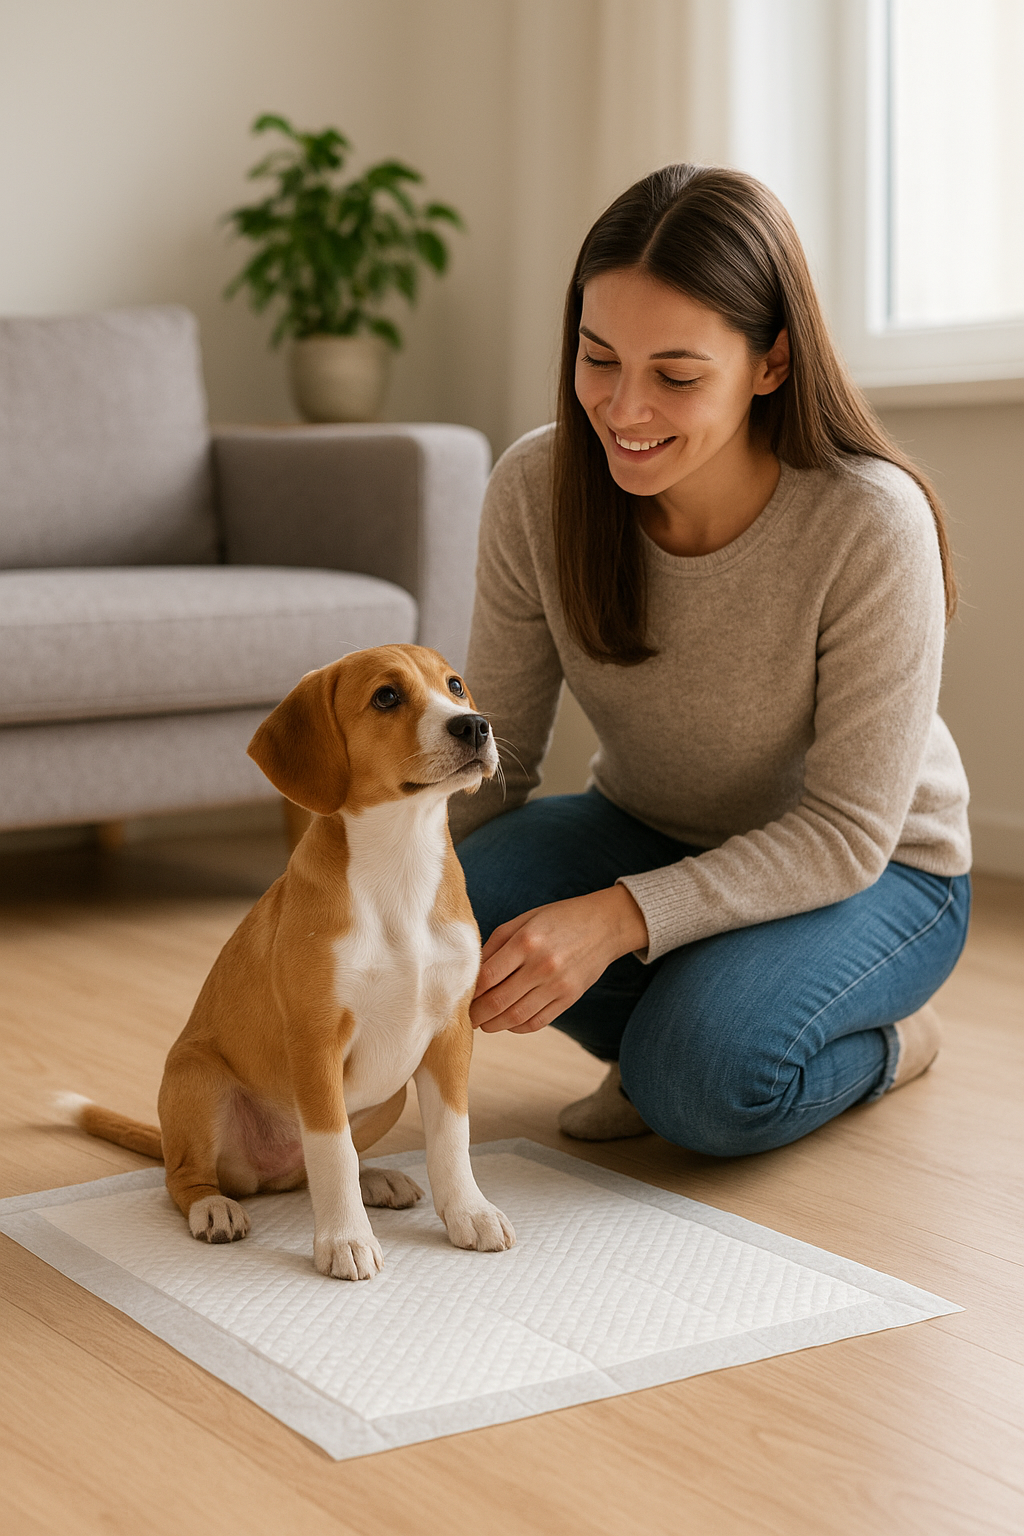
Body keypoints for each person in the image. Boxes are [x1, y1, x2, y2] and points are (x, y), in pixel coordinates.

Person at [450, 164, 971, 1153]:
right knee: (451, 900)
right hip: (649, 828)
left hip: (878, 874)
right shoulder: (536, 487)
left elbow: (845, 834)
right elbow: (498, 756)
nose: (623, 408)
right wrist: (347, 907)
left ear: (769, 364)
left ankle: (888, 1040)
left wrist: (612, 921)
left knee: (703, 1087)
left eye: (676, 376)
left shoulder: (868, 519)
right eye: (597, 358)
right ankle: (667, 1044)